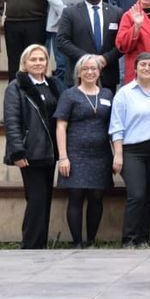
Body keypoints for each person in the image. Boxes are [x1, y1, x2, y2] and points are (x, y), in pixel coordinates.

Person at [2, 44, 63, 249]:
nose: (38, 63)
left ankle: (40, 243)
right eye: (33, 59)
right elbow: (12, 121)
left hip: (50, 151)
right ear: (25, 63)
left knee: (45, 199)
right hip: (30, 152)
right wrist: (17, 151)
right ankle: (30, 245)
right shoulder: (16, 87)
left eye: (42, 59)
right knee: (36, 199)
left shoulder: (53, 85)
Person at [54, 55, 114, 248]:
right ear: (79, 72)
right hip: (75, 154)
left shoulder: (107, 94)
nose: (90, 72)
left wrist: (116, 154)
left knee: (96, 196)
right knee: (76, 195)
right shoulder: (69, 95)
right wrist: (63, 157)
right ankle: (77, 241)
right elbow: (61, 126)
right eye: (85, 69)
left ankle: (91, 240)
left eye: (93, 68)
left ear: (99, 72)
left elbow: (114, 126)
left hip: (101, 155)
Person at [110, 53, 150, 248]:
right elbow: (116, 127)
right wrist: (118, 155)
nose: (147, 68)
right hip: (131, 150)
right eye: (143, 65)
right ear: (135, 68)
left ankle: (143, 238)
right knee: (137, 194)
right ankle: (129, 238)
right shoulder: (124, 93)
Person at [55, 0, 123, 91]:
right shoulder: (70, 13)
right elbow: (62, 41)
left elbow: (122, 44)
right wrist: (87, 59)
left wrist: (105, 58)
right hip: (79, 76)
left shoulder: (116, 13)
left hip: (107, 76)